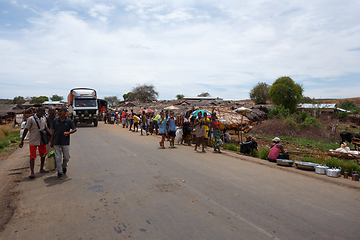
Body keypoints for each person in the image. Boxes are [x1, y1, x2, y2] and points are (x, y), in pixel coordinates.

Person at [19, 107, 51, 179]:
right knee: (32, 156)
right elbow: (26, 129)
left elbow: (46, 128)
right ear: (37, 112)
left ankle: (41, 168)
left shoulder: (44, 119)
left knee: (43, 155)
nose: (42, 115)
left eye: (43, 113)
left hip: (42, 140)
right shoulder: (30, 119)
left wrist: (51, 135)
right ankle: (32, 172)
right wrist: (22, 141)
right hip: (33, 140)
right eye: (41, 113)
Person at [50, 106, 77, 180]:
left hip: (65, 141)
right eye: (59, 111)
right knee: (58, 158)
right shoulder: (55, 120)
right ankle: (60, 172)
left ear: (65, 112)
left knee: (67, 157)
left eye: (61, 111)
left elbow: (74, 129)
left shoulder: (68, 121)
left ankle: (64, 166)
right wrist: (51, 142)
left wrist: (69, 132)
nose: (59, 112)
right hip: (56, 141)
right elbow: (53, 131)